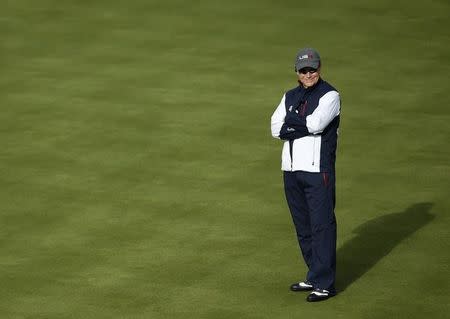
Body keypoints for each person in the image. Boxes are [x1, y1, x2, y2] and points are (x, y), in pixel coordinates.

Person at [270, 48, 341, 302]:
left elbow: (316, 124)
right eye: (303, 70)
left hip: (317, 171)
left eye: (312, 69)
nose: (308, 73)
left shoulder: (330, 95)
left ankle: (325, 283)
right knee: (303, 226)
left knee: (322, 225)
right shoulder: (289, 95)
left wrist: (292, 122)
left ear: (319, 69)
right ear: (297, 73)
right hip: (291, 170)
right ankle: (314, 274)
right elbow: (275, 128)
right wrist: (296, 124)